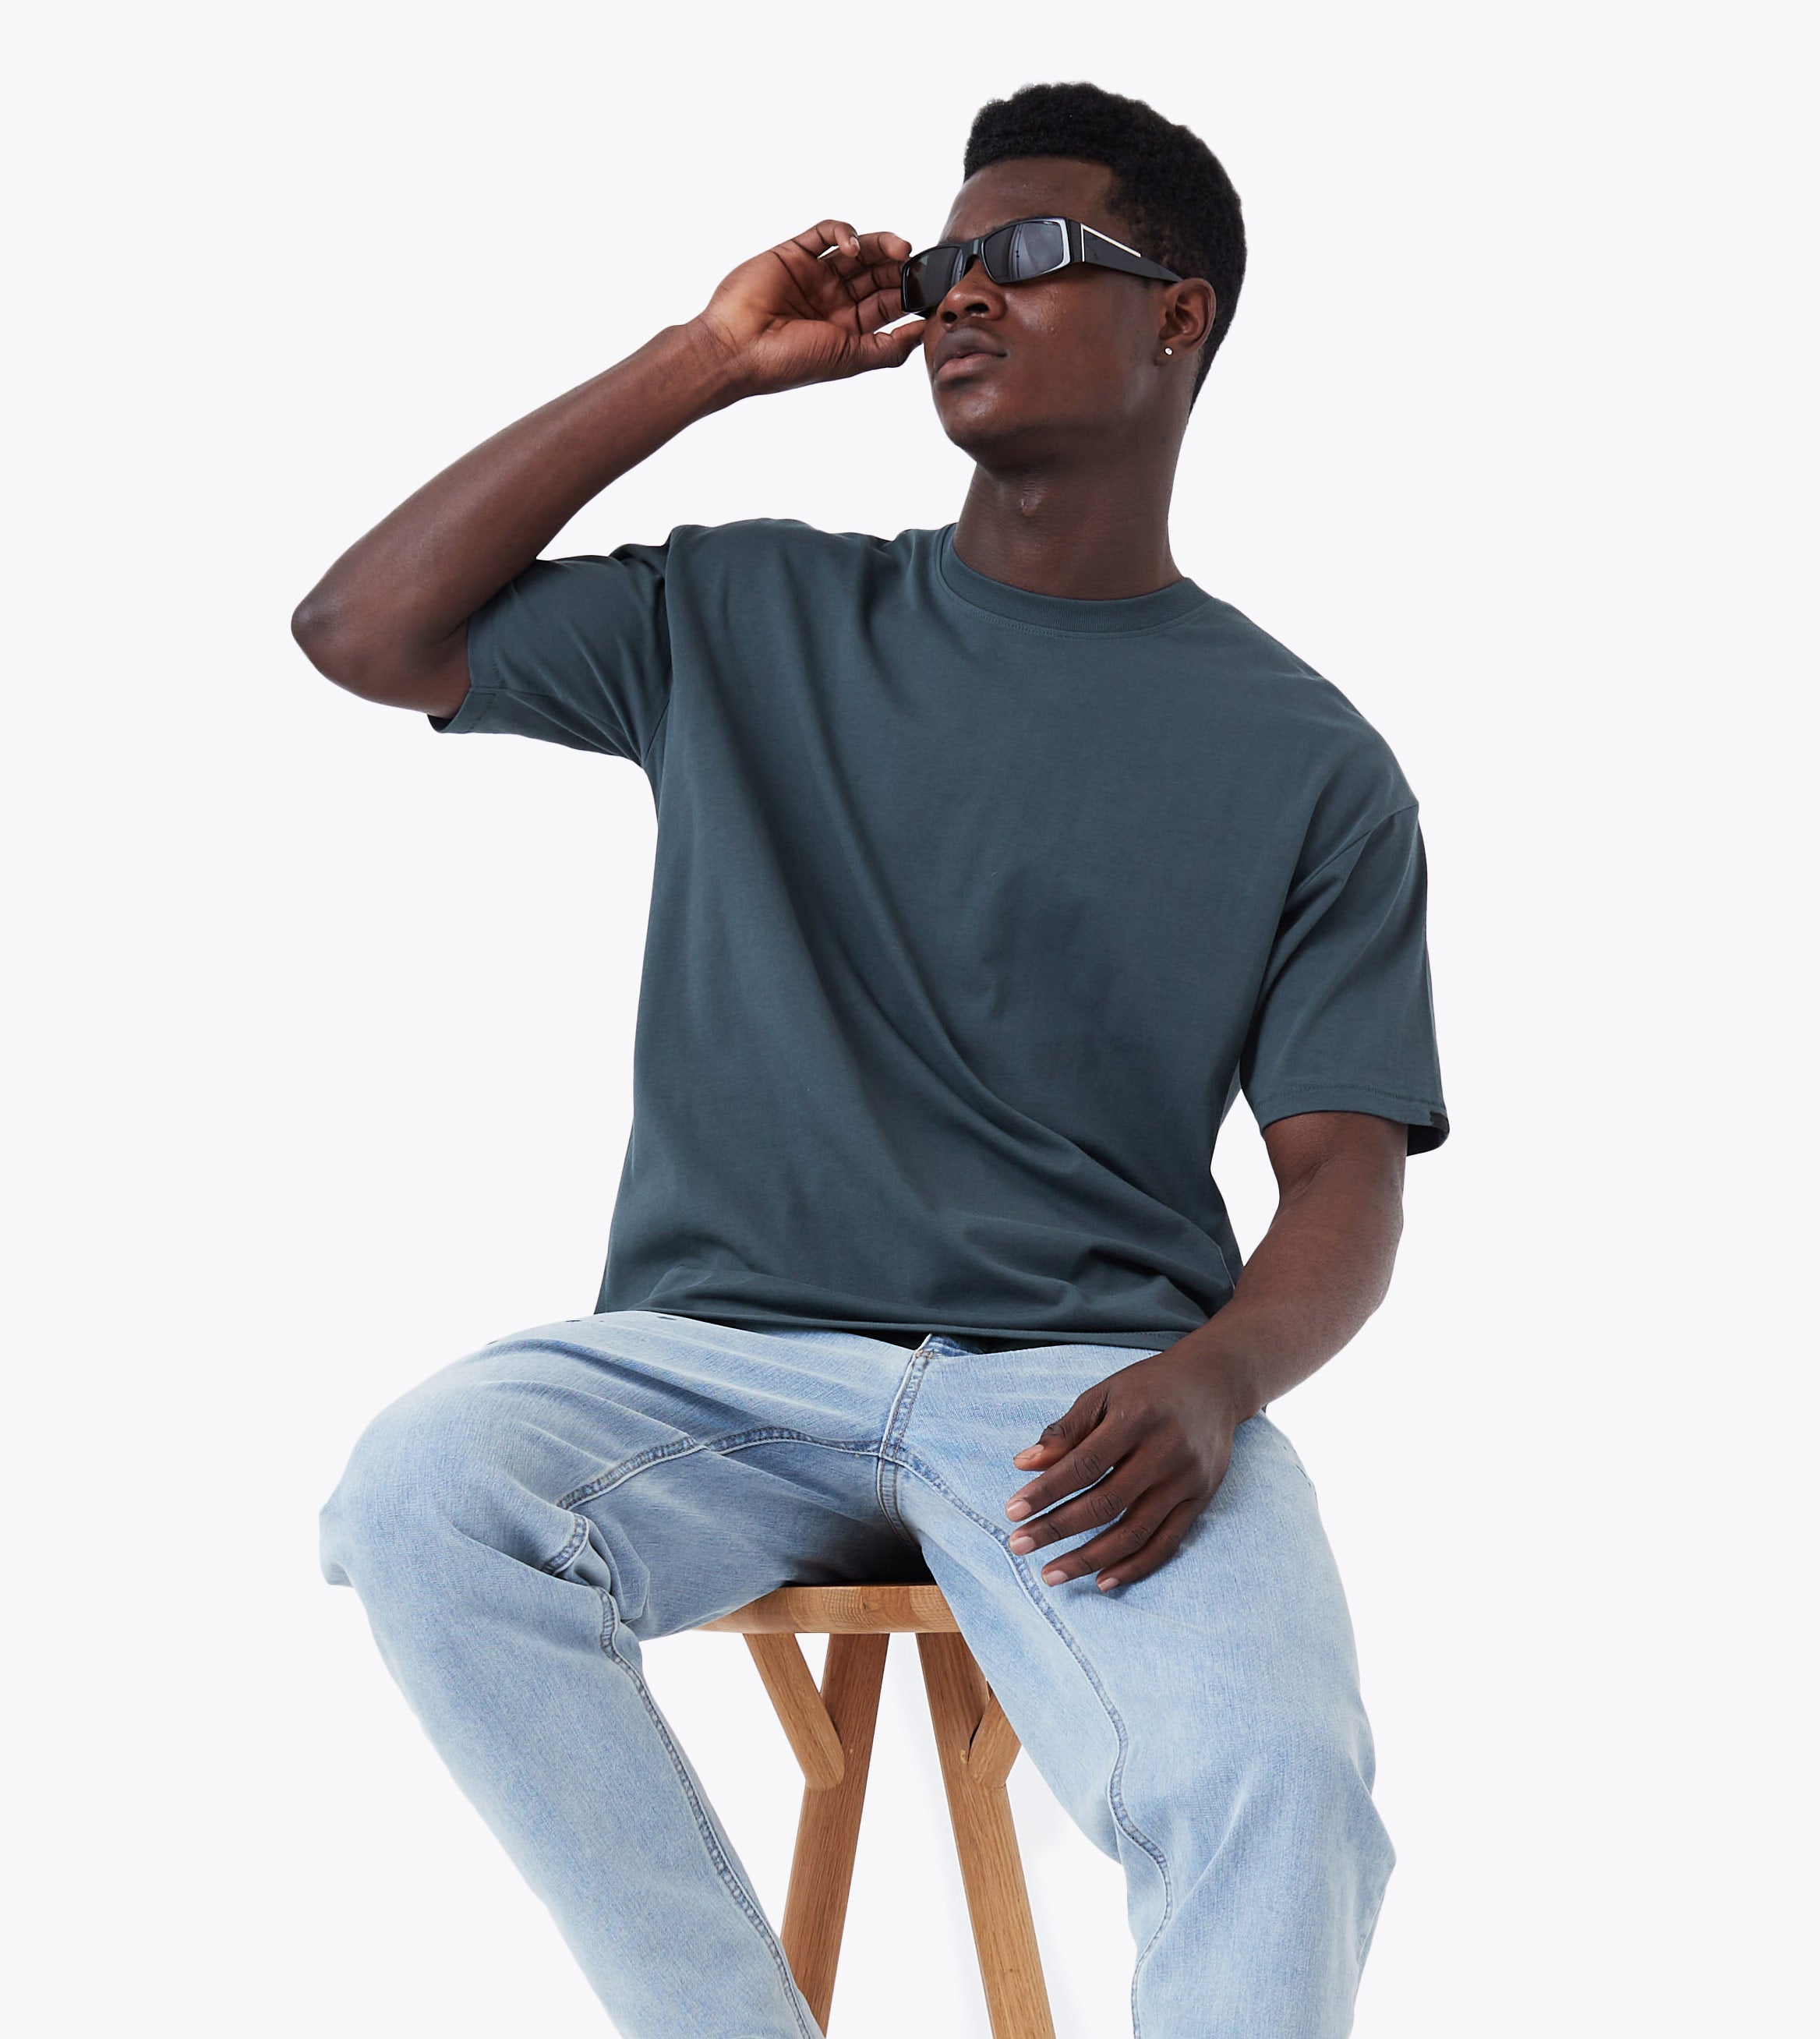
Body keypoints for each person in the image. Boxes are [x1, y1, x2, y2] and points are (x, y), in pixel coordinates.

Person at [295, 78, 1448, 2039]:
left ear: (1178, 317)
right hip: (721, 1367)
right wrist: (703, 362)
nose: (959, 291)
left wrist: (1217, 1379)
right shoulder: (748, 610)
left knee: (1282, 1782)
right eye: (946, 261)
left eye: (1030, 254)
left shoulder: (1311, 762)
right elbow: (361, 629)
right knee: (424, 1486)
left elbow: (1343, 1177)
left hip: (1088, 1402)